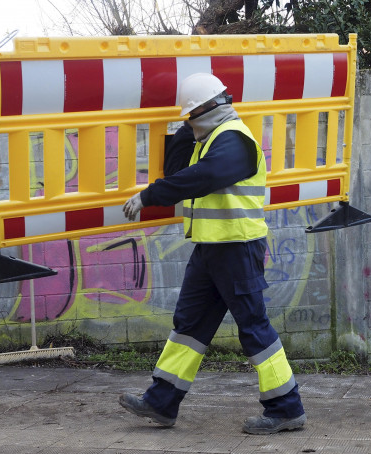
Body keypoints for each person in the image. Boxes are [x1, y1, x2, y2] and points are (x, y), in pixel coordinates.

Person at [119, 72, 306, 435]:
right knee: (189, 327)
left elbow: (202, 177)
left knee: (253, 327)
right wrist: (185, 129)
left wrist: (149, 195)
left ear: (205, 110)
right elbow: (178, 171)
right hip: (211, 249)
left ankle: (286, 408)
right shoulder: (209, 137)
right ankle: (162, 403)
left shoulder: (234, 140)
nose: (190, 122)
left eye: (191, 115)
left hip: (236, 248)